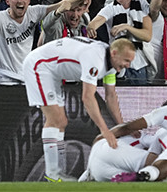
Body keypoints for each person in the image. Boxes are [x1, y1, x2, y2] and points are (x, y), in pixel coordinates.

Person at [22, 36, 135, 182]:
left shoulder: (111, 67)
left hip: (52, 71)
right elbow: (87, 97)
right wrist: (105, 130)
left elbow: (111, 96)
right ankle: (52, 174)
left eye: (130, 62)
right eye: (126, 60)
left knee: (61, 121)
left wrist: (123, 126)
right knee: (55, 119)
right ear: (114, 53)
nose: (128, 65)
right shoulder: (96, 59)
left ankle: (59, 173)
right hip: (39, 65)